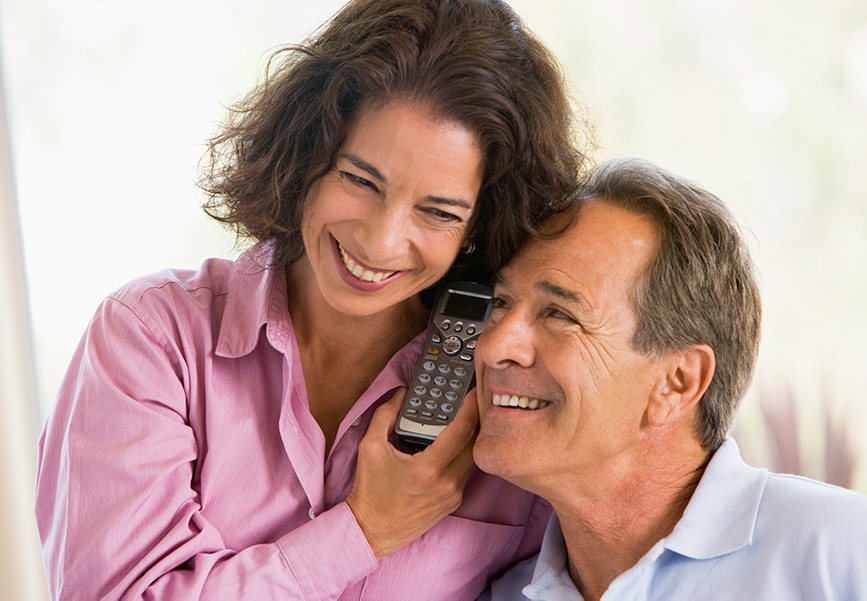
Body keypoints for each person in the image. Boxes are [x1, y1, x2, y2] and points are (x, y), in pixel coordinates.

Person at [34, 1, 585, 599]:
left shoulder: (505, 388)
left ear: (479, 224)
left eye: (438, 212)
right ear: (308, 157)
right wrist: (365, 532)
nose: (380, 240)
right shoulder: (149, 339)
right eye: (360, 180)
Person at [474, 157, 867, 600]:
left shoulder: (849, 554)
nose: (493, 345)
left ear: (677, 383)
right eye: (501, 303)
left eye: (560, 314)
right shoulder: (502, 593)